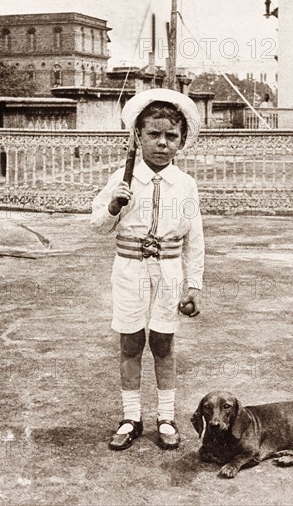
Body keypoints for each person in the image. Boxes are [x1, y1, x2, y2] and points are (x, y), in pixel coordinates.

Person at [90, 88, 205, 451]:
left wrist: (194, 285)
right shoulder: (121, 179)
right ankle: (131, 417)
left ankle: (166, 418)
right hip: (129, 270)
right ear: (137, 136)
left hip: (169, 273)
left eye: (171, 136)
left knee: (164, 344)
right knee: (130, 343)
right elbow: (96, 226)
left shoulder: (185, 185)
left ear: (182, 141)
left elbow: (195, 239)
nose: (162, 143)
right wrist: (113, 206)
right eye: (153, 134)